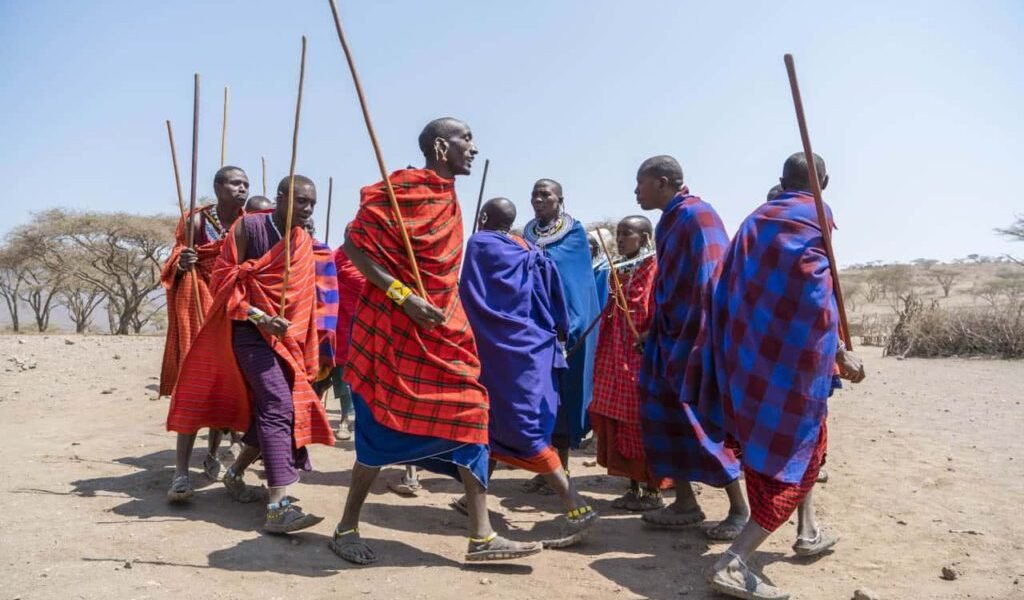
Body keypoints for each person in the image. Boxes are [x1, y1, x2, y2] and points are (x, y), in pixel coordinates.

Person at [329, 118, 543, 565]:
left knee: (472, 412)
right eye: (467, 139)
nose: (474, 148)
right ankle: (346, 525)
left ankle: (481, 537)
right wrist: (402, 296)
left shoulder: (449, 195)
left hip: (443, 333)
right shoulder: (402, 188)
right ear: (443, 146)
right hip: (393, 332)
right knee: (378, 431)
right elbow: (353, 245)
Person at [704, 153, 866, 599]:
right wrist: (838, 353)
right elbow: (813, 298)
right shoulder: (815, 215)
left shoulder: (756, 218)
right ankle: (733, 561)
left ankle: (809, 531)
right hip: (793, 368)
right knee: (798, 460)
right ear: (824, 182)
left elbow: (730, 287)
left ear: (781, 180)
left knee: (801, 448)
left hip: (751, 361)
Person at [167, 174, 334, 533]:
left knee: (275, 408)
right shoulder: (249, 229)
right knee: (277, 405)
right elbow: (223, 281)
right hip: (246, 332)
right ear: (281, 198)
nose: (307, 209)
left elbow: (303, 300)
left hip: (286, 340)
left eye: (312, 204)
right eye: (302, 201)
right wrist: (259, 316)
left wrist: (296, 338)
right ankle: (277, 507)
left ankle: (236, 471)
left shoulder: (302, 241)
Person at [457, 197, 598, 546]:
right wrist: (562, 332)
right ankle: (470, 500)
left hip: (500, 353)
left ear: (483, 218)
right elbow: (557, 300)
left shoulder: (478, 244)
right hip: (534, 350)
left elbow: (467, 295)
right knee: (487, 427)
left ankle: (575, 506)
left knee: (524, 431)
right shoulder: (530, 250)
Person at [632, 156, 749, 539]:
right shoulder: (671, 218)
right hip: (669, 335)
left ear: (662, 182)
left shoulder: (697, 216)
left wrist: (689, 336)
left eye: (641, 183)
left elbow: (707, 282)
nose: (636, 191)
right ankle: (685, 502)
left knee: (702, 417)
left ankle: (739, 509)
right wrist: (657, 330)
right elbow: (671, 284)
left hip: (696, 336)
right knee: (663, 412)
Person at [161, 165, 248, 501]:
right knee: (194, 387)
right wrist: (183, 262)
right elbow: (176, 255)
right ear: (217, 187)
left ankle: (212, 453)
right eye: (235, 183)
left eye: (245, 184)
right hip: (199, 302)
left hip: (230, 306)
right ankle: (181, 473)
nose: (241, 189)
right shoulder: (197, 220)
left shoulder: (247, 221)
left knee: (223, 387)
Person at [522, 179, 601, 493]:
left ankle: (562, 467)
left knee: (563, 402)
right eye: (535, 194)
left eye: (545, 194)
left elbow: (575, 281)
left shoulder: (574, 233)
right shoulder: (526, 234)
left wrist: (570, 325)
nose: (538, 199)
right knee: (539, 400)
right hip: (536, 328)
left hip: (568, 329)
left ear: (560, 199)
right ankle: (545, 467)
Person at [588, 215, 668, 511]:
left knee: (640, 421)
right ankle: (632, 487)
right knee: (617, 420)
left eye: (628, 234)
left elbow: (660, 309)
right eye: (619, 234)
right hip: (614, 353)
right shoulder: (616, 270)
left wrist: (648, 334)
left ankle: (653, 490)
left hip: (641, 354)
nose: (620, 240)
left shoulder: (657, 268)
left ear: (646, 238)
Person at [329, 241, 366, 441]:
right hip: (341, 324)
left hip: (368, 324)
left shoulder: (373, 259)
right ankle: (345, 418)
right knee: (342, 375)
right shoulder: (336, 257)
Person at [588, 227, 614, 311]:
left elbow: (601, 298)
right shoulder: (586, 265)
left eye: (587, 247)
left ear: (596, 249)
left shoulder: (603, 268)